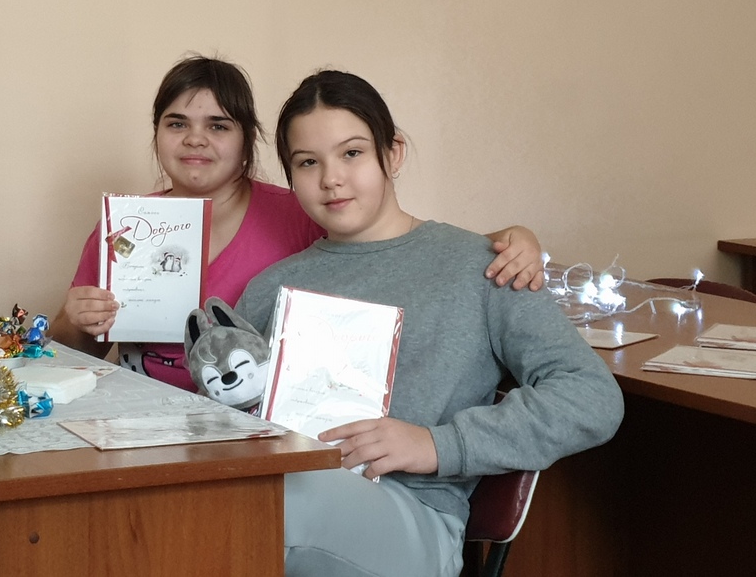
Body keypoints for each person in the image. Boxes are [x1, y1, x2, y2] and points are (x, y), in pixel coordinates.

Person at [234, 70, 624, 577]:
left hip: (412, 514)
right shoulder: (271, 287)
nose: (331, 178)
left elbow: (592, 397)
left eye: (352, 153)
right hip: (281, 487)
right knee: (211, 501)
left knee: (266, 504)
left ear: (392, 153)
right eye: (308, 162)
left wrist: (438, 444)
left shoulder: (483, 266)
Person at [51, 55, 546, 393]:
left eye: (218, 126)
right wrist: (75, 321)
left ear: (248, 140)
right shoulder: (125, 227)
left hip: (257, 423)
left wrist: (508, 242)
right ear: (157, 133)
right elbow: (70, 353)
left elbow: (394, 251)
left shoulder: (304, 209)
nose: (195, 139)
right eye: (177, 123)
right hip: (139, 417)